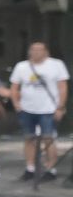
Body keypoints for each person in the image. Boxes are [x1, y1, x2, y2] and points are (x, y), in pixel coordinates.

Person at [9, 41, 69, 179]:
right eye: (33, 49)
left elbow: (62, 87)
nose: (36, 52)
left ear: (46, 52)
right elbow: (14, 86)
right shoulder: (22, 66)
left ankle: (50, 169)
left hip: (48, 109)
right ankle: (30, 168)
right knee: (29, 138)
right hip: (27, 109)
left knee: (49, 138)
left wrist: (60, 106)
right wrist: (16, 104)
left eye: (39, 49)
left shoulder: (56, 65)